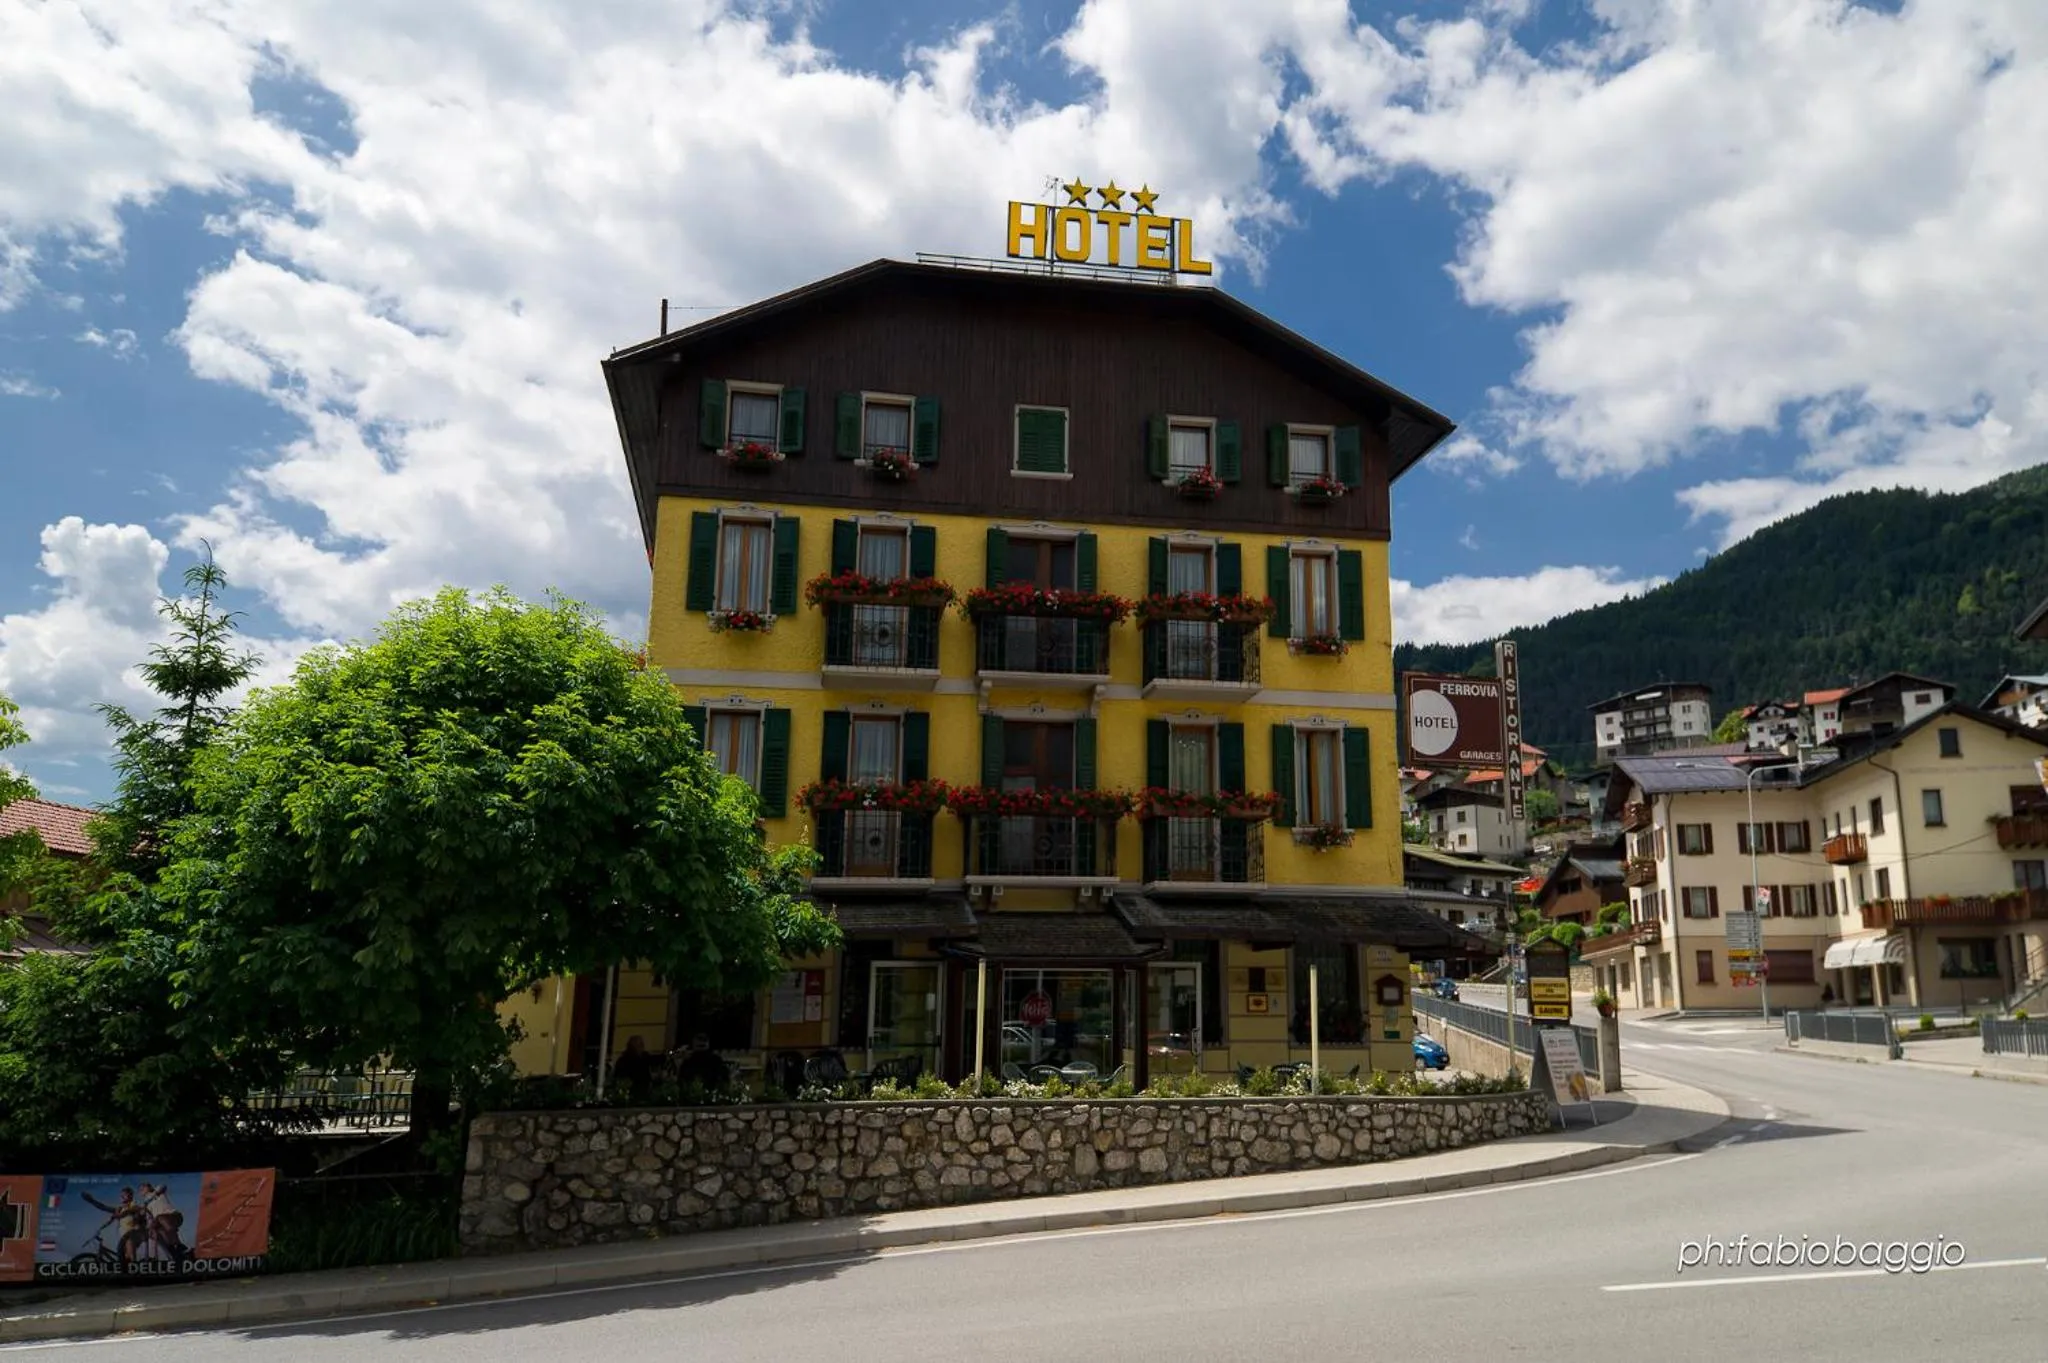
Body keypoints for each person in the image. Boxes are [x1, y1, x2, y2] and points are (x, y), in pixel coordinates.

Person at [80, 1188, 149, 1265]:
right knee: (125, 1258)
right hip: (124, 1236)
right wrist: (92, 1201)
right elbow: (103, 1207)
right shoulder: (120, 1209)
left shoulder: (134, 1205)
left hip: (134, 1234)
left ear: (130, 1195)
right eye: (121, 1195)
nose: (121, 1196)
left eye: (124, 1195)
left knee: (130, 1250)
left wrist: (121, 1214)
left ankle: (135, 1268)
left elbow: (132, 1210)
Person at [137, 1182, 188, 1260]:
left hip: (174, 1216)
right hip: (161, 1223)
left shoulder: (157, 1191)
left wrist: (153, 1194)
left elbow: (163, 1186)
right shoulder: (146, 1205)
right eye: (140, 1190)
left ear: (149, 1187)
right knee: (153, 1231)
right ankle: (173, 1251)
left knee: (159, 1217)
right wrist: (143, 1213)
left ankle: (179, 1245)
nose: (142, 1190)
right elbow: (149, 1218)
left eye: (143, 1187)